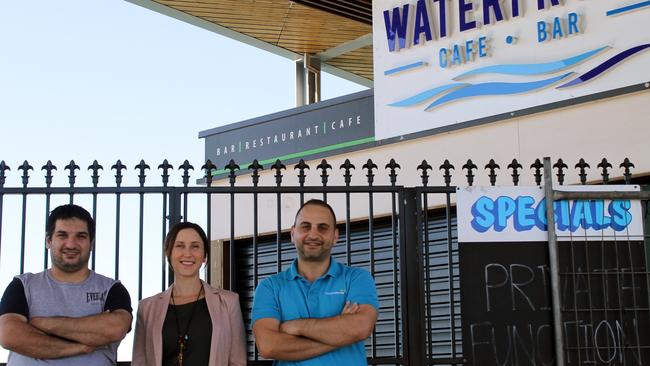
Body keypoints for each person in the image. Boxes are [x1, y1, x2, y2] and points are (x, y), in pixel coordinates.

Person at [0, 204, 132, 365]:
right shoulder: (22, 285)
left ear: (92, 243)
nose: (71, 244)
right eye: (62, 235)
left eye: (81, 236)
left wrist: (40, 323)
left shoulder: (112, 288)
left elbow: (115, 328)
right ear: (48, 240)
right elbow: (9, 335)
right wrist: (80, 346)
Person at [252, 199, 379, 365]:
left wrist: (296, 327)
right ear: (292, 234)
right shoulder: (270, 287)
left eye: (322, 227)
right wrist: (341, 333)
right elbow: (268, 346)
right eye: (305, 226)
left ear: (335, 236)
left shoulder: (357, 278)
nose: (313, 234)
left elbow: (361, 327)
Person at [132, 221, 246, 365]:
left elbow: (238, 361)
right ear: (169, 253)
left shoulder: (229, 302)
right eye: (179, 246)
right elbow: (139, 362)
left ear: (204, 256)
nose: (187, 253)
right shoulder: (146, 308)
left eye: (195, 246)